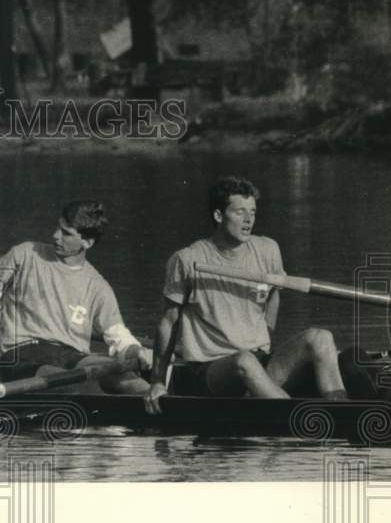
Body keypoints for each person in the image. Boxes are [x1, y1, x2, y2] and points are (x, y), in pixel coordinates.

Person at [144, 176, 348, 414]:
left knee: (320, 337)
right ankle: (297, 420)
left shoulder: (268, 249)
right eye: (240, 212)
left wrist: (267, 336)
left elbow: (274, 295)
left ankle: (341, 412)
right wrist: (157, 382)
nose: (249, 220)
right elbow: (169, 322)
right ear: (219, 216)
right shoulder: (187, 260)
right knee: (243, 360)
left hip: (259, 361)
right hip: (211, 372)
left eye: (252, 212)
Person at [0, 200, 151, 393]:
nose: (55, 236)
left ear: (87, 243)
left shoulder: (98, 286)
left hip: (70, 355)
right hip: (20, 354)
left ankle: (158, 403)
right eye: (58, 228)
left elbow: (118, 335)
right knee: (76, 384)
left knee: (125, 377)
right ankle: (111, 426)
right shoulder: (26, 254)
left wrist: (137, 352)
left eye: (66, 233)